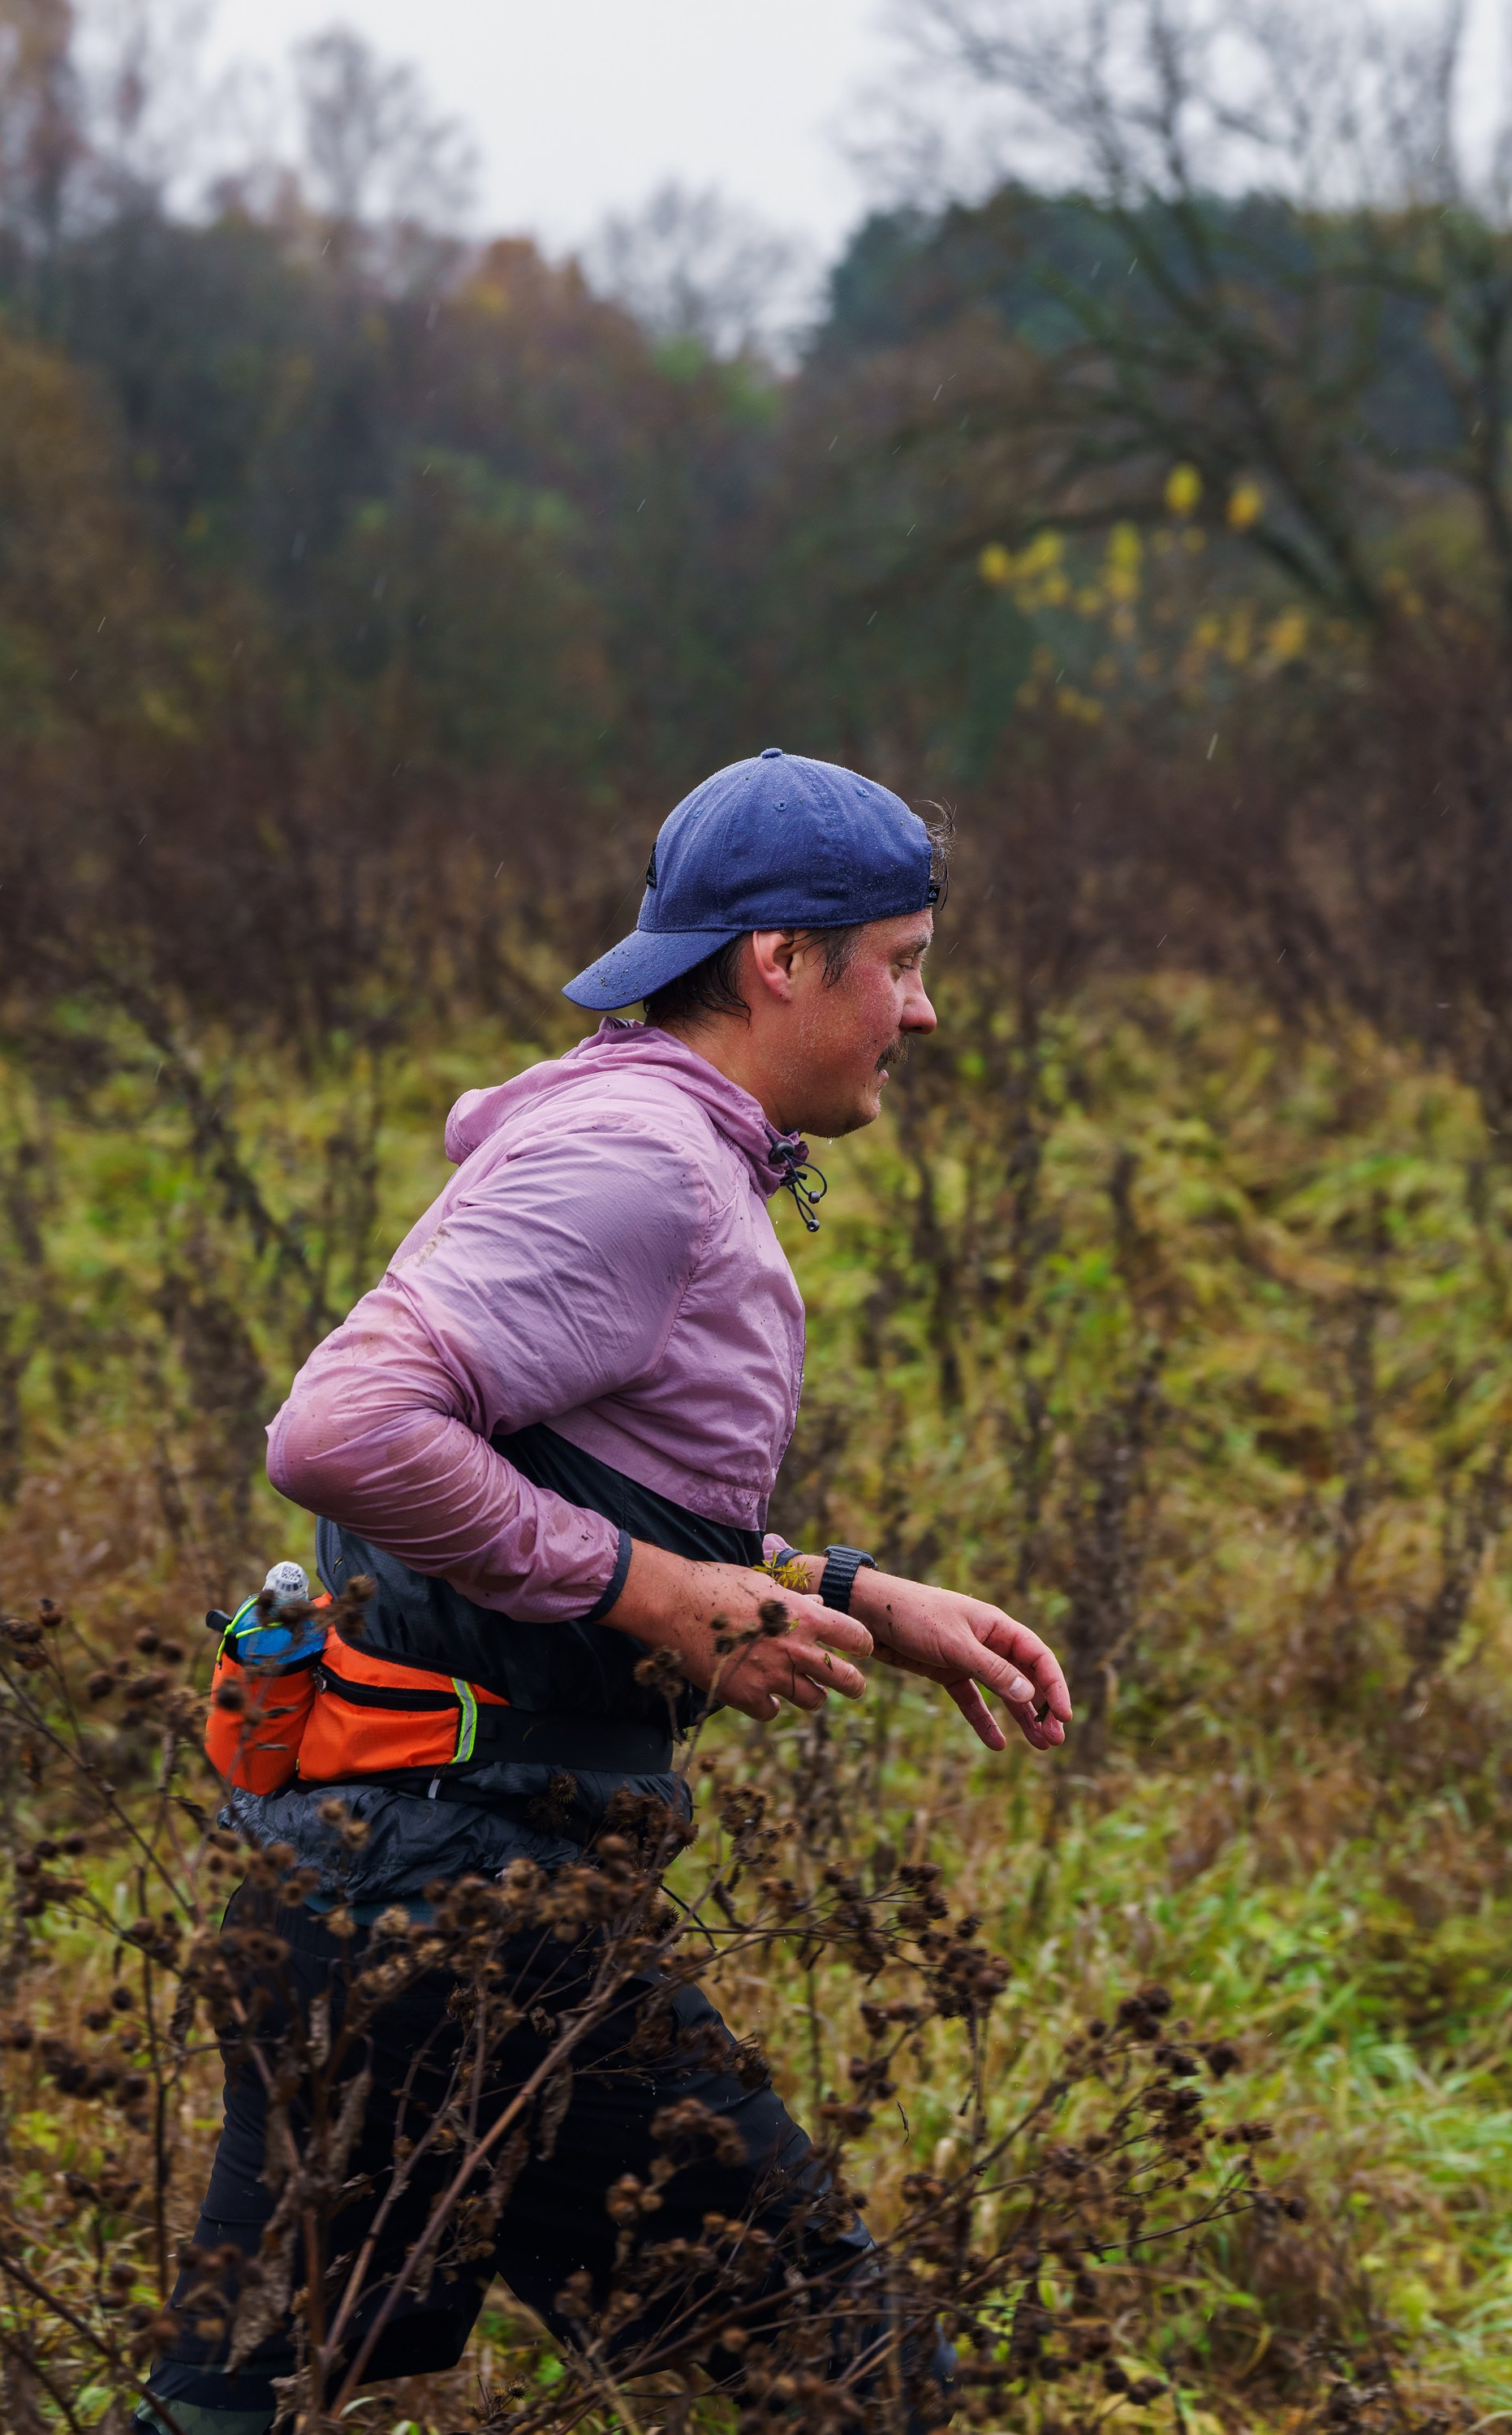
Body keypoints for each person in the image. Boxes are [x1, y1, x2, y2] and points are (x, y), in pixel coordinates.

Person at [136, 749, 1073, 2435]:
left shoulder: (649, 1137)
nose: (922, 1012)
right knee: (861, 2384)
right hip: (452, 1893)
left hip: (392, 1878)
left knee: (239, 2400)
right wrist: (653, 1596)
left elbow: (566, 1486)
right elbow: (343, 1432)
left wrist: (852, 1590)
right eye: (903, 964)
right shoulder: (637, 1158)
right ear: (780, 961)